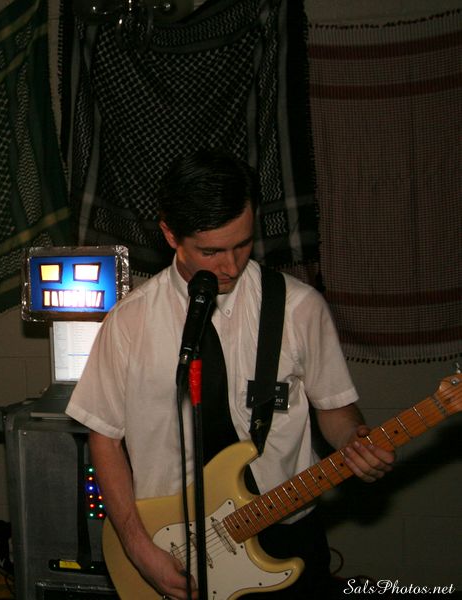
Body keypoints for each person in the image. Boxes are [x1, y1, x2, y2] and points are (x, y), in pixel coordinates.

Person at [65, 149, 394, 600]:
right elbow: (104, 438)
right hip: (169, 545)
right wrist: (138, 548)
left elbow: (335, 410)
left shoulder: (299, 308)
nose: (231, 265)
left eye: (242, 244)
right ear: (170, 234)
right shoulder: (129, 322)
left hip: (285, 530)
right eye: (211, 251)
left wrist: (356, 440)